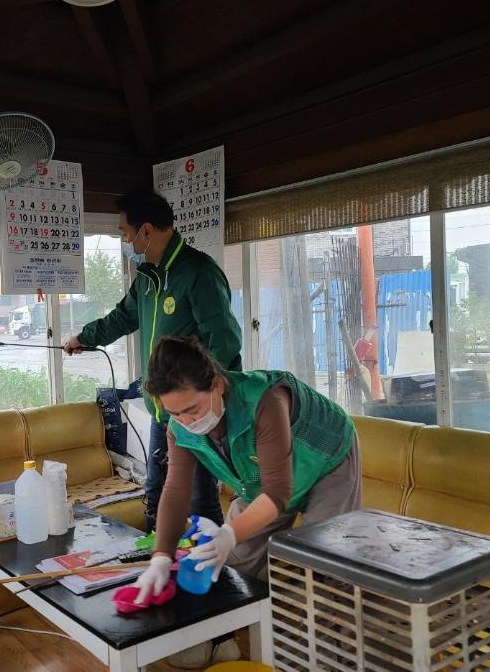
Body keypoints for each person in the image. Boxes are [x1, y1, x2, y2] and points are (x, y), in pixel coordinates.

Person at [63, 187, 241, 531]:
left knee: (199, 501)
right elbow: (122, 318)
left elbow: (226, 340)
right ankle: (156, 568)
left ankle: (212, 575)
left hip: (194, 414)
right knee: (157, 498)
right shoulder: (147, 278)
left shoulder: (198, 273)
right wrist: (85, 338)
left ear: (146, 231)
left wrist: (205, 399)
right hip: (163, 413)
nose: (125, 240)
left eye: (125, 232)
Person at [134, 334, 361, 604]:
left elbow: (277, 493)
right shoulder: (179, 431)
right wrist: (161, 557)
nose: (185, 421)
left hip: (326, 460)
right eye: (174, 413)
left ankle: (335, 640)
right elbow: (175, 493)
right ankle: (250, 637)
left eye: (192, 409)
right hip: (267, 480)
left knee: (330, 566)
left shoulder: (265, 401)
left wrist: (228, 534)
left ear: (217, 385)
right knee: (234, 564)